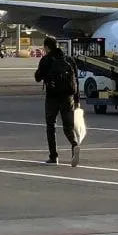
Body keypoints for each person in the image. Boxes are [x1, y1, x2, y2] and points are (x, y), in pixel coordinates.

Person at [33, 36, 80, 166]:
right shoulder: (69, 59)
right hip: (68, 97)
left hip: (52, 97)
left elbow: (37, 77)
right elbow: (76, 80)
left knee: (51, 126)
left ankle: (53, 156)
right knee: (68, 126)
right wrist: (77, 99)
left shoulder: (46, 60)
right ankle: (74, 144)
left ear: (47, 47)